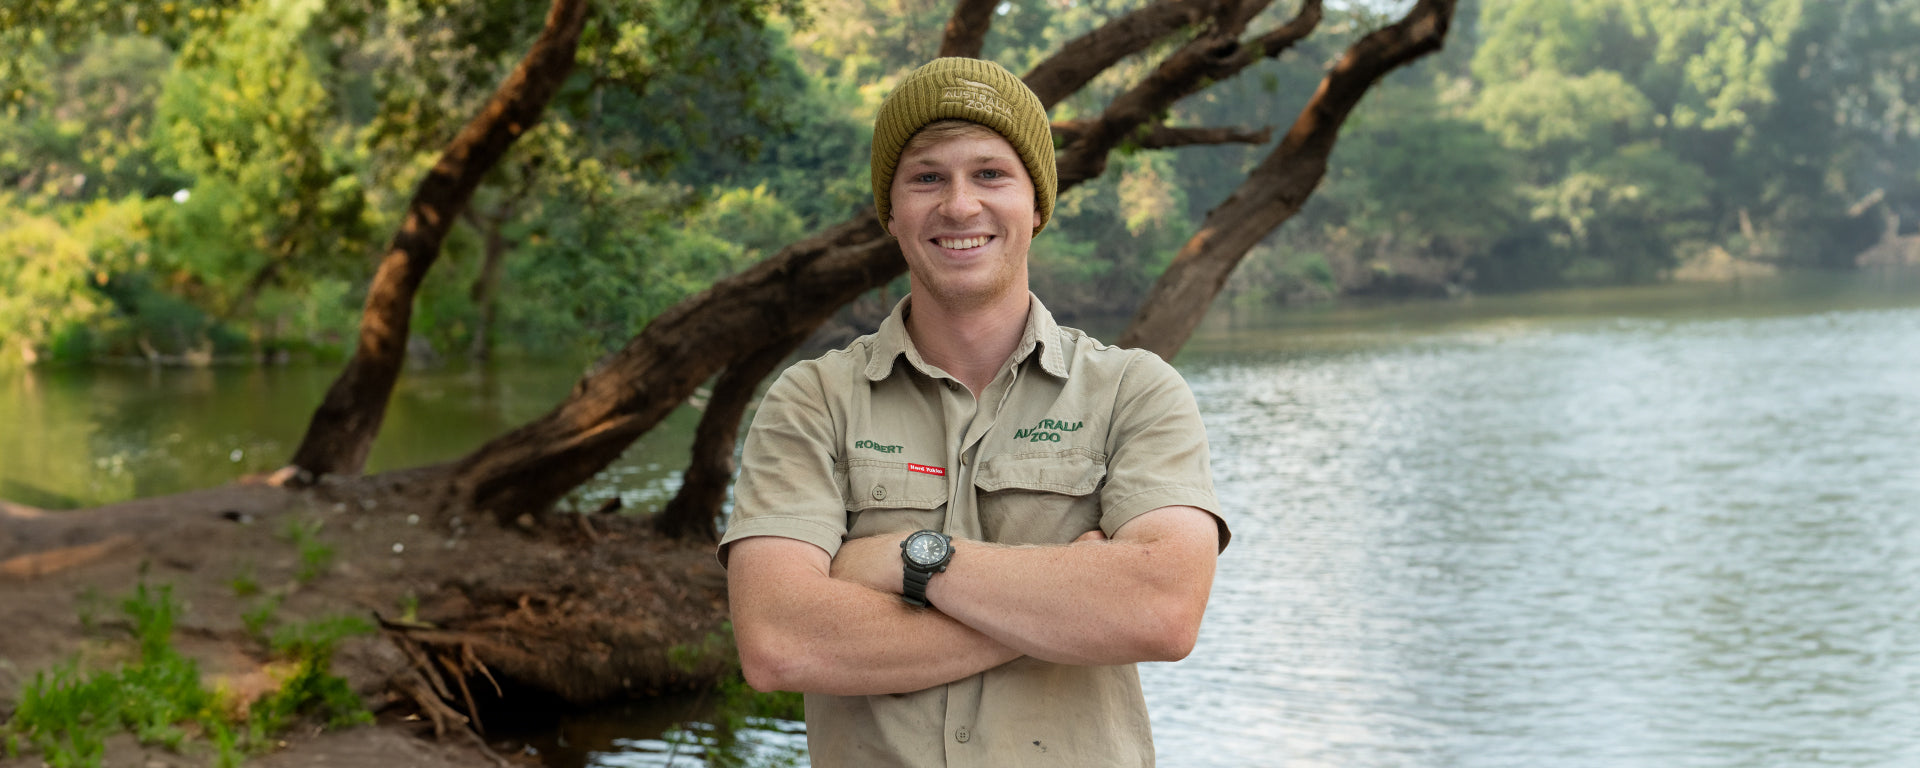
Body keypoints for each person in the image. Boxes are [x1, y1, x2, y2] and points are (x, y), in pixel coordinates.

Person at [717, 57, 1230, 766]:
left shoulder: (1136, 391)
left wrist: (908, 559)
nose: (960, 206)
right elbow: (780, 642)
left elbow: (1162, 612)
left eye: (991, 174)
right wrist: (1066, 611)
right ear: (890, 212)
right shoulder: (811, 402)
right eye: (927, 178)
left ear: (1037, 204)